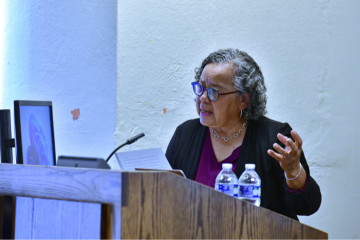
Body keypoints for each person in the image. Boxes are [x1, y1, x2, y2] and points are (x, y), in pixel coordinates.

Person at [165, 49, 321, 220]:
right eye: (201, 87)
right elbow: (164, 196)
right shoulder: (185, 135)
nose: (202, 97)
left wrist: (293, 171)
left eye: (213, 91)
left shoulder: (274, 138)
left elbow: (306, 206)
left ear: (243, 100)